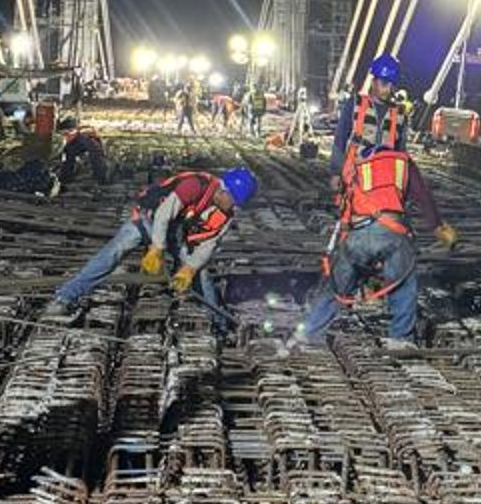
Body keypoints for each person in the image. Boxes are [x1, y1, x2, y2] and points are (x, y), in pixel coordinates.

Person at [295, 137, 457, 351]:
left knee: (335, 287)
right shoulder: (403, 162)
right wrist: (438, 227)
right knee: (403, 284)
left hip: (359, 233)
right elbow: (423, 198)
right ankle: (401, 339)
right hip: (394, 233)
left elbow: (344, 203)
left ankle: (309, 333)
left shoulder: (357, 164)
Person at [53, 164, 257, 333]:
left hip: (177, 234)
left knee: (200, 275)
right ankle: (66, 296)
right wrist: (156, 248)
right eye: (234, 202)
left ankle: (218, 324)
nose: (235, 208)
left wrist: (190, 268)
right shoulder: (194, 185)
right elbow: (162, 215)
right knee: (114, 251)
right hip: (148, 221)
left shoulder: (226, 215)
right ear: (224, 191)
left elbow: (209, 244)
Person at [50, 117, 110, 192]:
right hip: (80, 146)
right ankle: (66, 179)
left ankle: (101, 179)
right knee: (69, 155)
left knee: (72, 155)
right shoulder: (76, 138)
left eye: (66, 133)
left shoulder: (86, 138)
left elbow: (98, 155)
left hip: (92, 151)